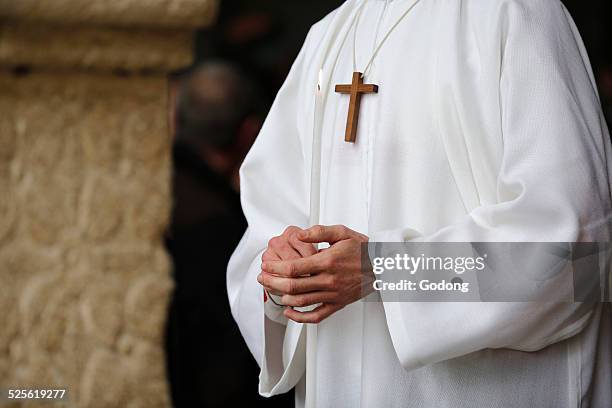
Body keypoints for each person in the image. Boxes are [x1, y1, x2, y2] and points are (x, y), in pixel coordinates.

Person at [227, 0, 612, 407]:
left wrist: (388, 269)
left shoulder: (515, 12)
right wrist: (284, 273)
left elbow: (577, 259)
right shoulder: (328, 35)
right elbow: (265, 236)